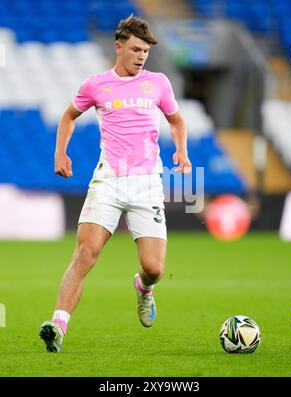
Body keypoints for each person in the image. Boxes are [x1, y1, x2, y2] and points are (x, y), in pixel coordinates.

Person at [39, 15, 191, 353]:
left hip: (147, 183)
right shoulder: (96, 85)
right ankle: (58, 324)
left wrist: (181, 150)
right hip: (108, 180)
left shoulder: (159, 83)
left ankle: (144, 288)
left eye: (146, 52)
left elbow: (177, 121)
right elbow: (68, 116)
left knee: (154, 267)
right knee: (85, 254)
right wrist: (59, 153)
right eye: (135, 50)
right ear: (119, 48)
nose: (141, 56)